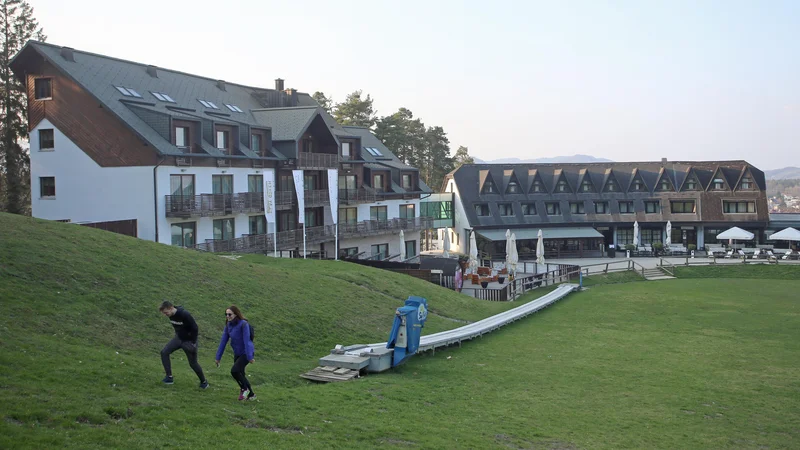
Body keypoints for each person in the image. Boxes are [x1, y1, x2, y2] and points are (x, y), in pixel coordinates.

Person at [159, 301, 208, 389]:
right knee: (164, 352)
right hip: (178, 339)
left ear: (171, 308)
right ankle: (169, 377)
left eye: (166, 312)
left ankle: (204, 382)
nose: (165, 315)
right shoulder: (171, 315)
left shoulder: (184, 314)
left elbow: (195, 328)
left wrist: (193, 342)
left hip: (189, 341)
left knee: (193, 363)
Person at [215, 305, 256, 401]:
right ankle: (251, 395)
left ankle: (244, 389)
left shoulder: (243, 324)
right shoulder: (228, 325)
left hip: (246, 352)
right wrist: (218, 357)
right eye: (226, 314)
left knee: (234, 371)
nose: (227, 316)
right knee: (241, 374)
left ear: (236, 314)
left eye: (229, 314)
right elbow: (223, 341)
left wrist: (250, 357)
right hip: (237, 353)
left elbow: (247, 341)